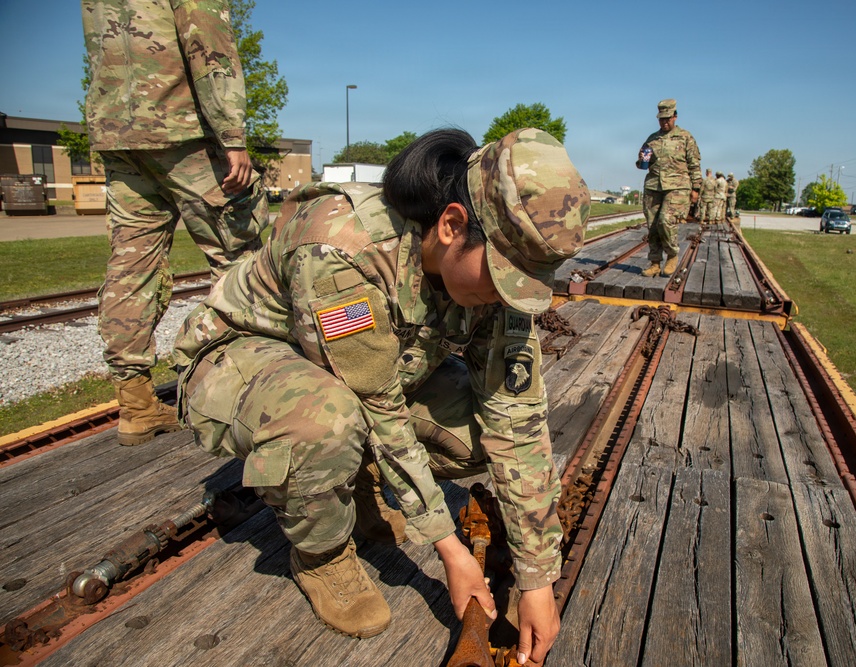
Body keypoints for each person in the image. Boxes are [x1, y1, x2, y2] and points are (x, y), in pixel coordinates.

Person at [173, 128, 589, 663]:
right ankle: (321, 553)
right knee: (327, 419)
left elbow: (518, 422)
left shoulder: (491, 277)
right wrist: (451, 548)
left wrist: (537, 577)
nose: (507, 297)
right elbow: (376, 405)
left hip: (358, 373)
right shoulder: (342, 244)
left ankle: (359, 484)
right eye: (504, 276)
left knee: (480, 435)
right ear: (451, 224)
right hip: (241, 357)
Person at [82, 0, 268, 446]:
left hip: (117, 133)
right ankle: (248, 387)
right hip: (182, 129)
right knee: (241, 259)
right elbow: (211, 50)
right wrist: (233, 136)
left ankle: (136, 404)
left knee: (131, 264)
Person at [636, 98, 701, 277]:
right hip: (653, 186)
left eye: (668, 118)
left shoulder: (686, 137)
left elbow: (694, 164)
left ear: (675, 116)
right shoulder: (652, 139)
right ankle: (655, 262)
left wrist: (696, 189)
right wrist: (642, 159)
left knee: (666, 220)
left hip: (678, 186)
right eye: (661, 119)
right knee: (653, 225)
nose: (664, 122)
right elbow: (642, 164)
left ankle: (672, 255)